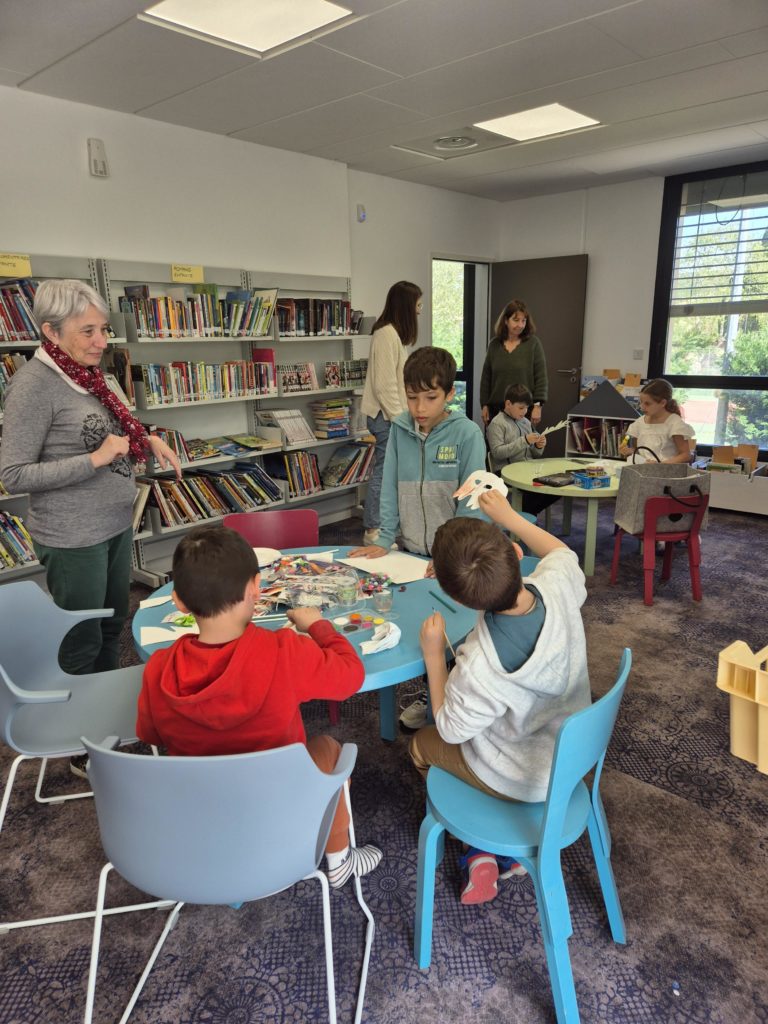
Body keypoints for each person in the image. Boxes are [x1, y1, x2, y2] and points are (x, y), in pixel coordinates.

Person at [136, 526, 382, 890]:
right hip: (279, 805)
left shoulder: (158, 667)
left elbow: (151, 734)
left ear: (180, 603)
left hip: (201, 808)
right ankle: (339, 859)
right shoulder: (283, 650)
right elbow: (350, 675)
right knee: (329, 748)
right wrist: (318, 626)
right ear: (255, 588)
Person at [410, 488, 590, 905]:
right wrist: (509, 515)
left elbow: (450, 729)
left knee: (421, 745)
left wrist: (435, 657)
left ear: (455, 597)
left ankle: (481, 845)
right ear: (514, 551)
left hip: (515, 777)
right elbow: (561, 553)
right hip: (570, 759)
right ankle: (506, 847)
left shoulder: (478, 665)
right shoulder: (558, 586)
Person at [0, 279, 181, 684]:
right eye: (88, 331)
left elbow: (107, 429)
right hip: (73, 537)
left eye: (103, 329)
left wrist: (146, 438)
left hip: (114, 524)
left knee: (111, 626)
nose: (101, 341)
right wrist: (95, 460)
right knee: (80, 639)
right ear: (51, 331)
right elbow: (12, 475)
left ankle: (106, 704)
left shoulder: (86, 376)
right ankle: (79, 732)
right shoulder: (32, 386)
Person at [349, 345, 487, 730]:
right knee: (420, 627)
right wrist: (385, 537)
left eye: (430, 397)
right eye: (412, 397)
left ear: (449, 395)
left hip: (454, 555)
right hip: (410, 551)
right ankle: (432, 693)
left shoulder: (466, 434)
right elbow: (389, 488)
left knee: (460, 635)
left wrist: (451, 553)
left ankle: (455, 706)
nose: (420, 407)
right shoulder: (399, 428)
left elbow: (472, 499)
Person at [359, 281, 423, 546]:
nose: (419, 311)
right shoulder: (386, 335)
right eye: (418, 305)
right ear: (406, 306)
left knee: (392, 472)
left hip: (392, 416)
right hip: (386, 418)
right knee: (384, 473)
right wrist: (401, 421)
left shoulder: (393, 335)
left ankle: (384, 526)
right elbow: (384, 386)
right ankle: (373, 530)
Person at [480, 299, 548, 428]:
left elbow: (541, 378)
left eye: (524, 321)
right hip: (496, 411)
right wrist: (484, 405)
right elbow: (486, 379)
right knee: (496, 447)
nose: (520, 325)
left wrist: (538, 406)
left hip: (524, 411)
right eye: (516, 320)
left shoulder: (533, 344)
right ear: (506, 320)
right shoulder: (494, 345)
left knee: (522, 447)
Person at [618, 379, 694, 464]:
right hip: (645, 472)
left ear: (663, 403)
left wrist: (660, 466)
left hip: (667, 473)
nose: (642, 407)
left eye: (647, 404)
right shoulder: (639, 423)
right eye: (641, 402)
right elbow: (640, 451)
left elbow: (686, 455)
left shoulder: (674, 423)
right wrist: (630, 451)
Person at [487, 383, 547, 471]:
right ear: (508, 404)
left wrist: (538, 446)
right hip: (506, 472)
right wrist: (525, 441)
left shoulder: (526, 422)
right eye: (521, 408)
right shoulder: (497, 423)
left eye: (527, 407)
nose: (525, 411)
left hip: (527, 468)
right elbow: (497, 453)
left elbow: (534, 455)